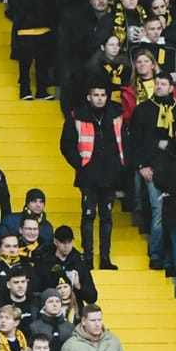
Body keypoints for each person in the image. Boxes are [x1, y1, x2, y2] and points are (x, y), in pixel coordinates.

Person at [61, 83, 127, 270]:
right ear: (89, 97)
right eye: (96, 95)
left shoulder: (117, 114)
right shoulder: (76, 116)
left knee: (106, 217)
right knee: (88, 215)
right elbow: (66, 145)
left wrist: (122, 165)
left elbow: (125, 140)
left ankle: (105, 258)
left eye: (103, 95)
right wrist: (81, 164)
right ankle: (88, 258)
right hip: (88, 175)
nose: (99, 98)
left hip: (111, 174)